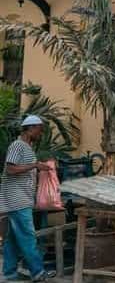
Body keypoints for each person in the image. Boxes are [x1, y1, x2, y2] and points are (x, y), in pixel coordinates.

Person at [0, 116, 56, 282]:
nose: (41, 133)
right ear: (30, 129)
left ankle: (9, 272)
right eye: (39, 129)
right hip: (17, 200)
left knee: (14, 239)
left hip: (20, 199)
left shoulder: (27, 147)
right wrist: (34, 165)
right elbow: (10, 169)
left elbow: (22, 170)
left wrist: (40, 167)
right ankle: (38, 272)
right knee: (28, 236)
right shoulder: (17, 145)